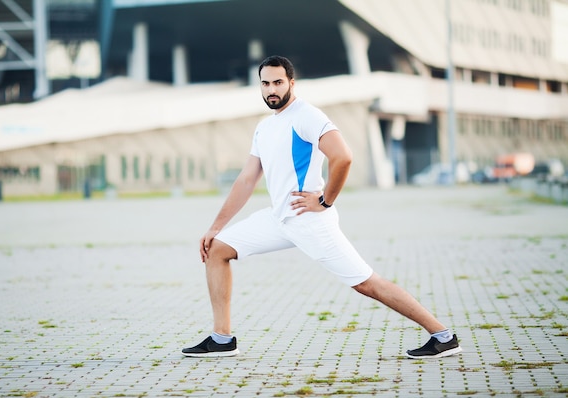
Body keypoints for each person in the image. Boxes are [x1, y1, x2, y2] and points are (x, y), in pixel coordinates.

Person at [182, 55, 461, 359]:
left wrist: (325, 200)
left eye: (278, 82)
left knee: (366, 283)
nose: (271, 89)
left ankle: (442, 335)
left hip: (309, 220)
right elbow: (246, 180)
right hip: (279, 218)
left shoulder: (307, 116)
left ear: (291, 82)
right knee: (218, 249)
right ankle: (222, 340)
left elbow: (343, 156)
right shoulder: (265, 127)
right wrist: (215, 227)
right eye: (265, 83)